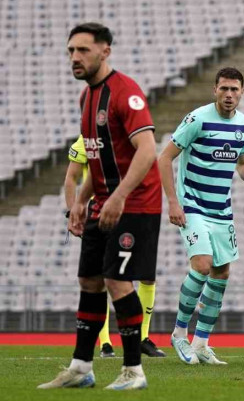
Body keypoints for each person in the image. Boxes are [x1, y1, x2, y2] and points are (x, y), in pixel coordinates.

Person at [40, 22, 161, 390]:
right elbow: (97, 157)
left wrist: (121, 196)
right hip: (105, 202)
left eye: (83, 51)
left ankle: (133, 371)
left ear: (105, 51)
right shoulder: (87, 97)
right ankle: (81, 368)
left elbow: (148, 150)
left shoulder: (126, 94)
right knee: (89, 280)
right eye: (71, 51)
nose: (75, 58)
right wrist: (79, 201)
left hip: (135, 204)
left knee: (116, 280)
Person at [158, 68, 244, 365]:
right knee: (203, 265)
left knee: (222, 273)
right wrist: (172, 202)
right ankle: (179, 333)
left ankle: (202, 342)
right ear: (214, 90)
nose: (229, 95)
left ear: (242, 92)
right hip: (192, 205)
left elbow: (243, 164)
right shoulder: (197, 119)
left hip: (222, 209)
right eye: (224, 89)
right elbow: (164, 157)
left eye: (234, 89)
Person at [64, 135, 166, 359]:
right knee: (104, 278)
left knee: (145, 277)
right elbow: (71, 177)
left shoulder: (133, 134)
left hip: (132, 211)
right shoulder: (88, 137)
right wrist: (73, 210)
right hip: (99, 213)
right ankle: (105, 343)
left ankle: (143, 338)